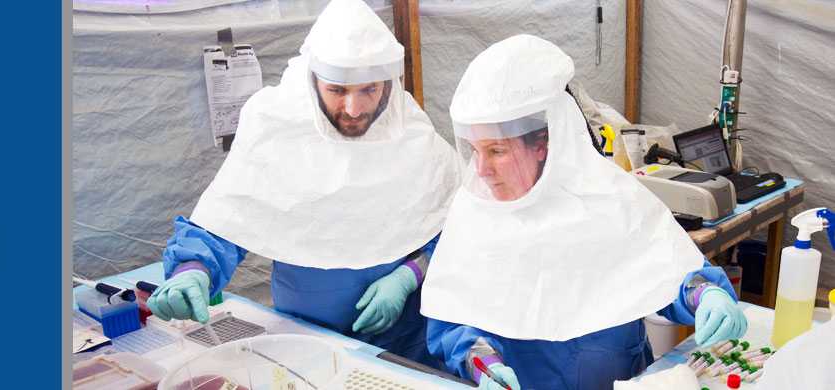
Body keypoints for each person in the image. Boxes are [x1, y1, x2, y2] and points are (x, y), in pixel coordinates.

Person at [144, 0, 460, 369]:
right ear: (313, 80)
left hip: (402, 340)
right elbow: (228, 219)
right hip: (305, 336)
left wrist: (411, 274)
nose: (354, 108)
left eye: (369, 90)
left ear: (388, 84)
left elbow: (457, 227)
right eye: (338, 90)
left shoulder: (411, 134)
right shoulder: (277, 127)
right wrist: (193, 270)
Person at [420, 34, 748, 390]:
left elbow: (671, 277)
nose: (481, 169)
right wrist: (480, 361)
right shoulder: (475, 215)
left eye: (497, 151)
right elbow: (453, 320)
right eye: (475, 150)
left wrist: (705, 296)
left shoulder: (611, 199)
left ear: (544, 143)